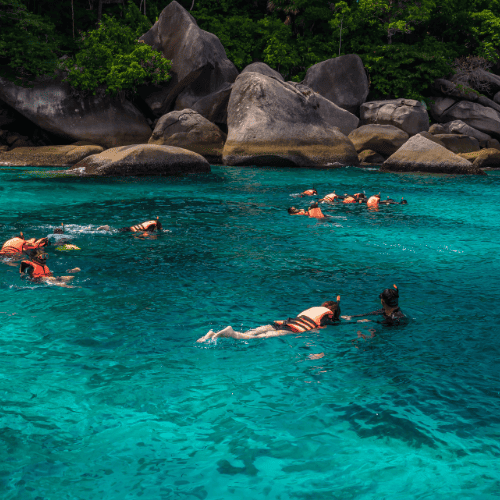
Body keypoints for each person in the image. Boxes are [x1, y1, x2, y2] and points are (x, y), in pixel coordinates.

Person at [197, 297, 341, 342]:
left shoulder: (313, 309)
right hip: (292, 329)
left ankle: (209, 335)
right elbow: (322, 326)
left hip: (282, 323)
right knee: (252, 338)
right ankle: (230, 333)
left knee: (251, 332)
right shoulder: (327, 316)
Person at [341, 285, 407, 326]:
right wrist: (351, 316)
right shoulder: (385, 310)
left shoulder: (397, 317)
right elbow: (371, 313)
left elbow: (389, 323)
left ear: (382, 301)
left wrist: (370, 321)